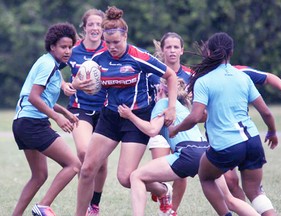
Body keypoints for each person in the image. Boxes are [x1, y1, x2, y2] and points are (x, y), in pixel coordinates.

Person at [75, 6, 178, 216]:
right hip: (110, 117)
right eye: (108, 42)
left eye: (116, 42)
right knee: (86, 170)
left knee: (125, 178)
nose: (112, 47)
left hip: (136, 118)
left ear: (125, 36)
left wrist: (172, 107)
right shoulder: (98, 59)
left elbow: (171, 76)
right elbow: (78, 79)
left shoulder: (139, 57)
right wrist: (80, 84)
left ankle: (162, 190)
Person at [169, 32, 278, 216]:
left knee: (206, 177)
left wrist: (175, 129)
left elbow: (195, 117)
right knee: (255, 192)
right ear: (231, 52)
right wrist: (272, 132)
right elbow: (266, 112)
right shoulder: (243, 77)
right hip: (252, 140)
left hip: (227, 145)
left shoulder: (204, 81)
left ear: (209, 53)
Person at [118, 78, 259, 216]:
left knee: (136, 176)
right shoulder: (182, 108)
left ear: (160, 90)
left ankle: (163, 192)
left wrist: (130, 115)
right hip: (208, 152)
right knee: (229, 200)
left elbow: (152, 130)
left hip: (188, 153)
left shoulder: (163, 103)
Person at [11, 23, 81, 216]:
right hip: (32, 123)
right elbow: (33, 97)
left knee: (39, 175)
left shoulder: (52, 66)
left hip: (22, 123)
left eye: (70, 47)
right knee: (74, 164)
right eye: (63, 47)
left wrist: (63, 111)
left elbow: (41, 98)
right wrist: (57, 117)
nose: (67, 51)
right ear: (52, 47)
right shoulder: (48, 64)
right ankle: (43, 207)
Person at [61, 8, 108, 215]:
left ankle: (94, 204)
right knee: (84, 153)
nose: (95, 28)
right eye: (91, 24)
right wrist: (65, 85)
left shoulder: (110, 49)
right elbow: (51, 68)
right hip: (80, 109)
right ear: (85, 27)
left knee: (101, 162)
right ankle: (84, 202)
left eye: (99, 24)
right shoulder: (74, 50)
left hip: (106, 112)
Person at [224, 65, 281, 201]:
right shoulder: (204, 76)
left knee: (253, 189)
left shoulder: (240, 73)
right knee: (230, 182)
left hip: (243, 134)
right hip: (220, 137)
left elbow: (269, 77)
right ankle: (246, 209)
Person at [147, 32, 193, 215]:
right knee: (160, 172)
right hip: (159, 129)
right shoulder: (152, 73)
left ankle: (171, 211)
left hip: (182, 129)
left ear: (182, 50)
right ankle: (163, 193)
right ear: (162, 50)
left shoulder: (191, 75)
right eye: (168, 47)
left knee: (181, 171)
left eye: (176, 47)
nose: (172, 50)